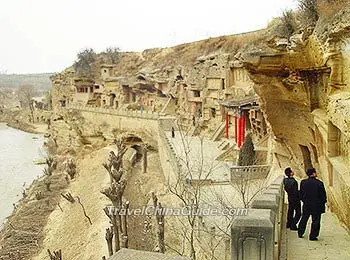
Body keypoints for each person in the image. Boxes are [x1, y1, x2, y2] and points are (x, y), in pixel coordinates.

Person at [298, 168, 327, 241]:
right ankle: (313, 236)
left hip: (307, 204)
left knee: (304, 219)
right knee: (316, 221)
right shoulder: (319, 183)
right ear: (313, 174)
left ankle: (300, 232)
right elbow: (323, 195)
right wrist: (323, 202)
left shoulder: (303, 182)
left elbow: (301, 194)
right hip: (317, 206)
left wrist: (304, 200)